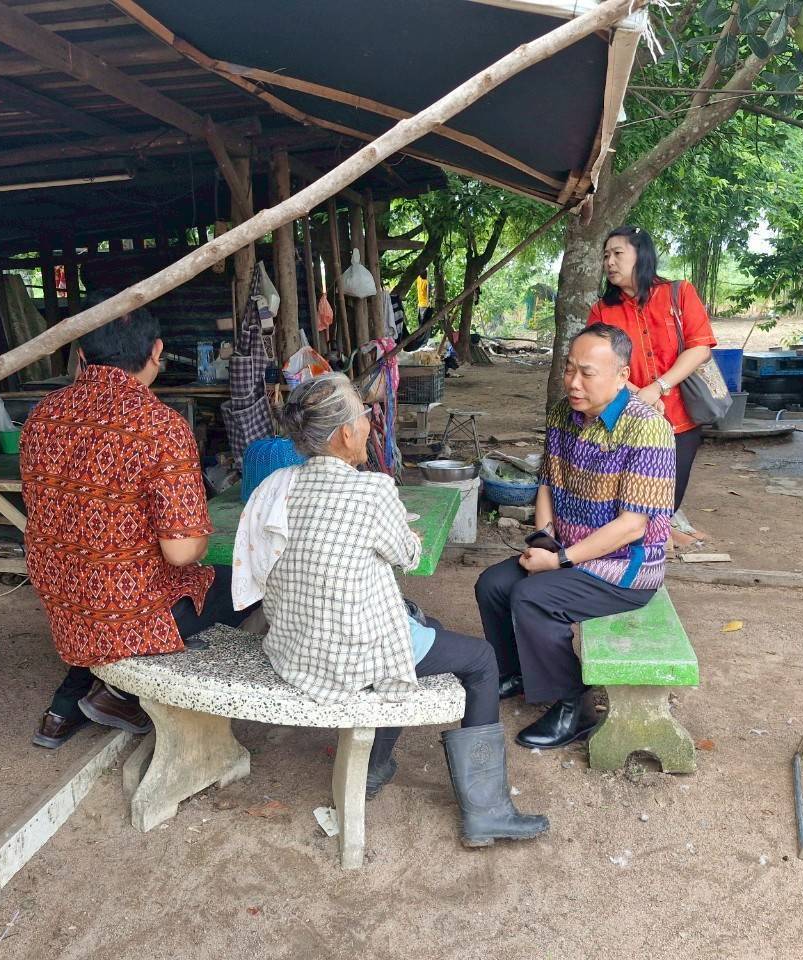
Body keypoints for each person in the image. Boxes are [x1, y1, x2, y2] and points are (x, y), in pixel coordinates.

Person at [255, 373, 547, 847]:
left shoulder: (281, 486)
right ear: (346, 433)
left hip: (295, 643)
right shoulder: (372, 491)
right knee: (480, 661)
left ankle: (375, 764)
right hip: (348, 652)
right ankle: (487, 811)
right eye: (363, 414)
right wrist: (405, 539)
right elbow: (409, 557)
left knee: (413, 623)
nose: (371, 422)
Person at [20, 295, 248, 749]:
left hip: (63, 597)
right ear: (157, 352)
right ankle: (127, 691)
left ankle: (65, 707)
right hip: (124, 611)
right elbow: (182, 550)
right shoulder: (160, 425)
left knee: (105, 581)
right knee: (243, 583)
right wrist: (202, 532)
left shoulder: (42, 414)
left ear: (81, 354)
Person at [475, 324, 676, 749]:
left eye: (587, 372)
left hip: (625, 567)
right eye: (569, 369)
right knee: (493, 585)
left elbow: (632, 525)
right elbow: (548, 482)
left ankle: (573, 706)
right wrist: (545, 537)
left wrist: (560, 561)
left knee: (533, 597)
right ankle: (519, 674)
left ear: (621, 375)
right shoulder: (563, 414)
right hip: (568, 550)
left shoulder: (647, 428)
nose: (573, 382)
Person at [586, 225, 717, 511]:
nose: (609, 262)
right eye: (606, 255)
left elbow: (700, 348)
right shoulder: (602, 311)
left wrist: (658, 388)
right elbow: (599, 363)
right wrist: (639, 396)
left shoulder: (679, 293)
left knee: (668, 500)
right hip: (627, 419)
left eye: (618, 253)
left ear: (641, 255)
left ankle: (655, 545)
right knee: (628, 499)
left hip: (681, 418)